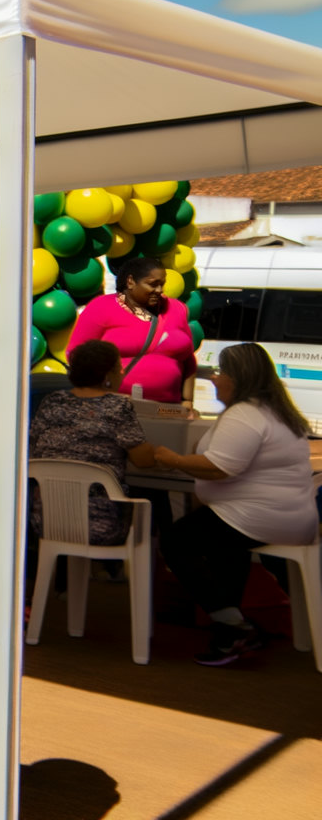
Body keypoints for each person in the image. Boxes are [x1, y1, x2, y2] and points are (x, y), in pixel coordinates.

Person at [153, 342, 320, 665]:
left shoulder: (245, 414)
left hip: (257, 517)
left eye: (220, 372)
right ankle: (230, 630)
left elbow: (220, 467)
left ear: (237, 377)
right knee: (223, 545)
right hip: (290, 518)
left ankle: (233, 625)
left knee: (176, 540)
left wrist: (172, 458)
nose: (214, 379)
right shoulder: (277, 411)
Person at [28, 341, 159, 548]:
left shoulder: (53, 401)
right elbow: (143, 460)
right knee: (154, 500)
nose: (123, 371)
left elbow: (34, 449)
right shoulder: (117, 406)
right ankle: (123, 571)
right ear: (107, 376)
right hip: (100, 524)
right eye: (119, 367)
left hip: (46, 521)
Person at [67, 256, 197, 408]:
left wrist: (187, 402)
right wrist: (98, 393)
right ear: (130, 282)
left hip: (167, 410)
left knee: (167, 430)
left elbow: (188, 360)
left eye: (162, 284)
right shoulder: (102, 306)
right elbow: (76, 354)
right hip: (112, 407)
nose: (160, 290)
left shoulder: (176, 309)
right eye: (153, 284)